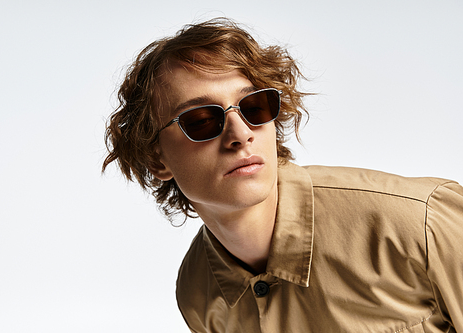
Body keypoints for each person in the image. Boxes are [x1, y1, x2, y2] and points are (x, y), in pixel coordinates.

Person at [102, 18, 463, 332]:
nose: (240, 133)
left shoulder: (419, 223)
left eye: (254, 106)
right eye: (201, 120)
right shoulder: (198, 293)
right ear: (156, 158)